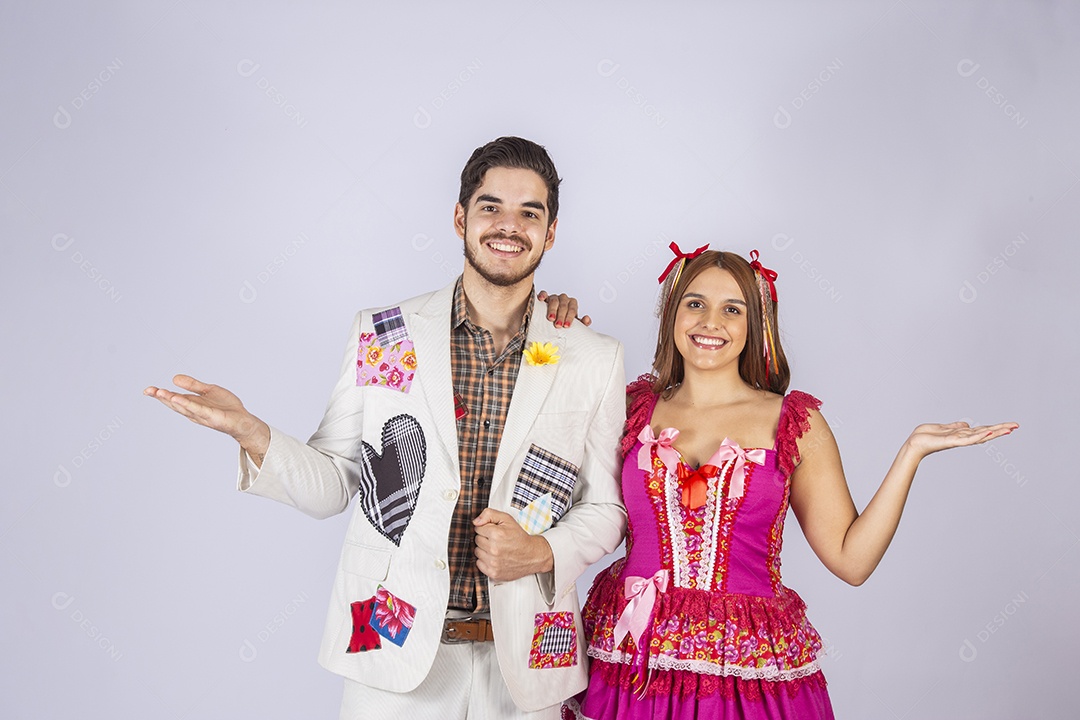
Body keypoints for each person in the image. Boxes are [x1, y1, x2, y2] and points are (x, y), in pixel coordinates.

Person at [145, 136, 627, 719]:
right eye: (490, 206)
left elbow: (608, 508)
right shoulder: (388, 334)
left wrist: (542, 550)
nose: (509, 225)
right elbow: (337, 480)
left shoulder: (590, 355)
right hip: (391, 651)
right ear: (459, 218)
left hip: (527, 661)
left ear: (550, 233)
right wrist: (253, 434)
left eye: (531, 212)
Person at [561, 246, 1017, 719]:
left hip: (745, 670)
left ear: (756, 326)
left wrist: (912, 452)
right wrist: (554, 319)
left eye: (732, 309)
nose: (710, 322)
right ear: (671, 312)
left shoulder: (793, 422)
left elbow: (851, 561)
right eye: (695, 303)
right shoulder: (629, 409)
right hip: (634, 661)